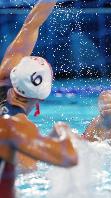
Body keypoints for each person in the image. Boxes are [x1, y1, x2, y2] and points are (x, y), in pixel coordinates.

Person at [0, 1, 78, 197]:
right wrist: (62, 133)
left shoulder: (5, 73)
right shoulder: (20, 127)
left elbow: (31, 24)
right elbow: (31, 171)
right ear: (40, 99)